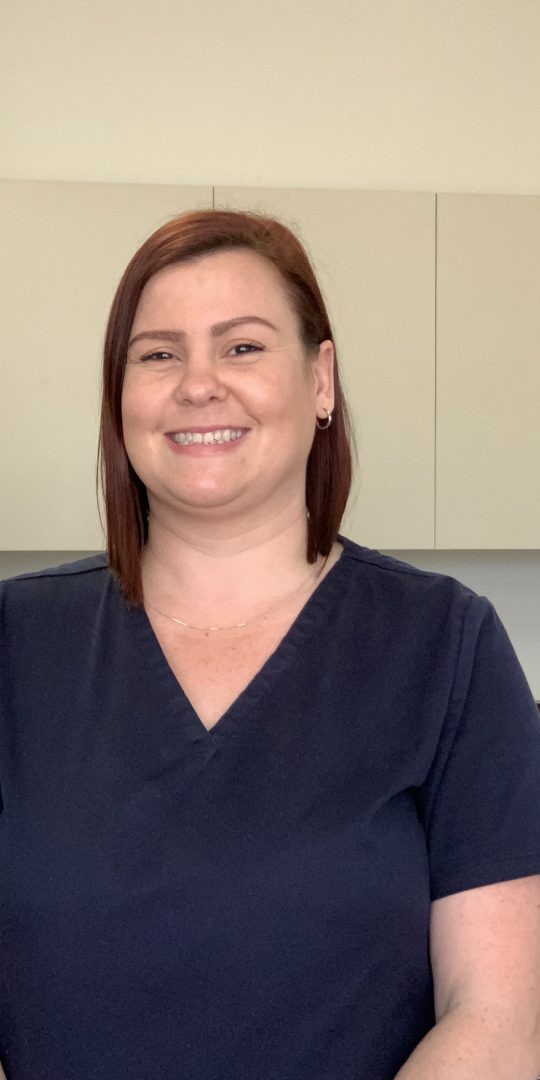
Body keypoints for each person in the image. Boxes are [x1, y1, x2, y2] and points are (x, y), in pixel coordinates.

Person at [0, 209, 539, 1080]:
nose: (199, 385)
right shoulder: (17, 644)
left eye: (242, 347)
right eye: (158, 354)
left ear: (321, 380)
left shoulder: (447, 648)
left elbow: (501, 1019)